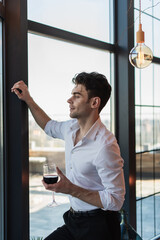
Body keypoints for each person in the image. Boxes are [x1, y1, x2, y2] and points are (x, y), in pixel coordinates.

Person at [11, 72, 125, 240]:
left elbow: (116, 200)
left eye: (76, 96)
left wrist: (71, 189)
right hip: (74, 221)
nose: (69, 100)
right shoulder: (70, 128)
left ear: (94, 102)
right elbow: (48, 126)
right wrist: (28, 99)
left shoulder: (105, 145)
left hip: (100, 227)